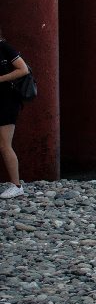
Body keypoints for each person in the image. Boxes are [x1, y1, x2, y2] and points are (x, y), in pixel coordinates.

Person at [0, 28, 30, 198]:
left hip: (7, 101)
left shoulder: (4, 47)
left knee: (5, 144)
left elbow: (23, 69)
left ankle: (17, 186)